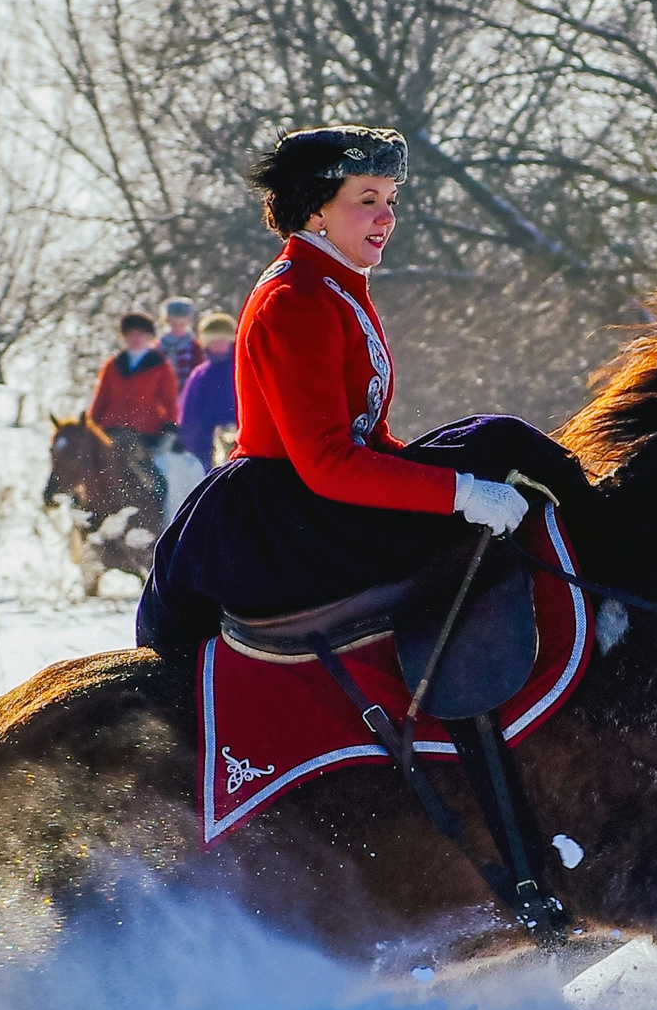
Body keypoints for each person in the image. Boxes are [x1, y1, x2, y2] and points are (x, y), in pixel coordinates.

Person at [136, 125, 583, 651]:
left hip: (318, 499)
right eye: (367, 200)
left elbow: (369, 436)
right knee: (492, 459)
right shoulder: (295, 298)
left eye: (391, 200)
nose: (387, 216)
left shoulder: (336, 284)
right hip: (285, 517)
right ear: (315, 209)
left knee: (498, 442)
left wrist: (452, 474)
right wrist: (458, 491)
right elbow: (326, 460)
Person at [84, 312, 180, 489]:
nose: (135, 338)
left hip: (144, 432)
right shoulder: (112, 365)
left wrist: (169, 430)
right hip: (111, 430)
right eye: (130, 334)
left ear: (149, 337)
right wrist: (91, 426)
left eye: (140, 334)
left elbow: (169, 402)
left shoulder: (161, 366)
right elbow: (100, 400)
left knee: (151, 478)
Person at [175, 309, 239, 473]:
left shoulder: (242, 368)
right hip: (207, 444)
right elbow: (189, 412)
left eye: (222, 340)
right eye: (213, 341)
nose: (217, 345)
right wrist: (191, 440)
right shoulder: (200, 374)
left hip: (239, 438)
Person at [157, 298, 203, 387]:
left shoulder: (194, 347)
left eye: (182, 324)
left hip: (186, 389)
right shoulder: (159, 346)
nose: (178, 327)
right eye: (174, 324)